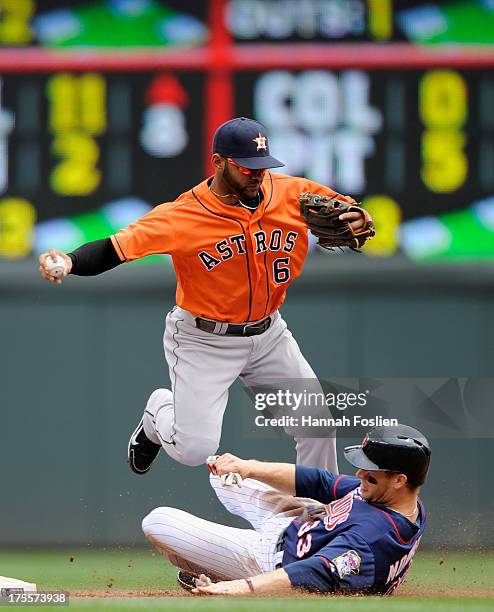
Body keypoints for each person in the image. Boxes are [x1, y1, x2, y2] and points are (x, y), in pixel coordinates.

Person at [38, 117, 371, 473]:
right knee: (194, 450)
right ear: (219, 163)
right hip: (204, 340)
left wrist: (359, 217)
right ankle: (157, 414)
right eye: (246, 168)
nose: (257, 175)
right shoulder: (183, 216)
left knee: (316, 425)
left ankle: (320, 518)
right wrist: (70, 261)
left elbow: (350, 211)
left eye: (262, 166)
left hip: (270, 335)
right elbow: (113, 249)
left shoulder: (291, 192)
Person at [141, 424, 431, 596]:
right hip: (297, 522)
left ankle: (221, 575)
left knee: (158, 522)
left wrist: (243, 588)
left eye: (370, 472)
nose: (359, 474)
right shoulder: (400, 501)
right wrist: (247, 466)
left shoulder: (374, 537)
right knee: (223, 473)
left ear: (399, 480)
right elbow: (318, 481)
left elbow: (315, 570)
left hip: (272, 560)